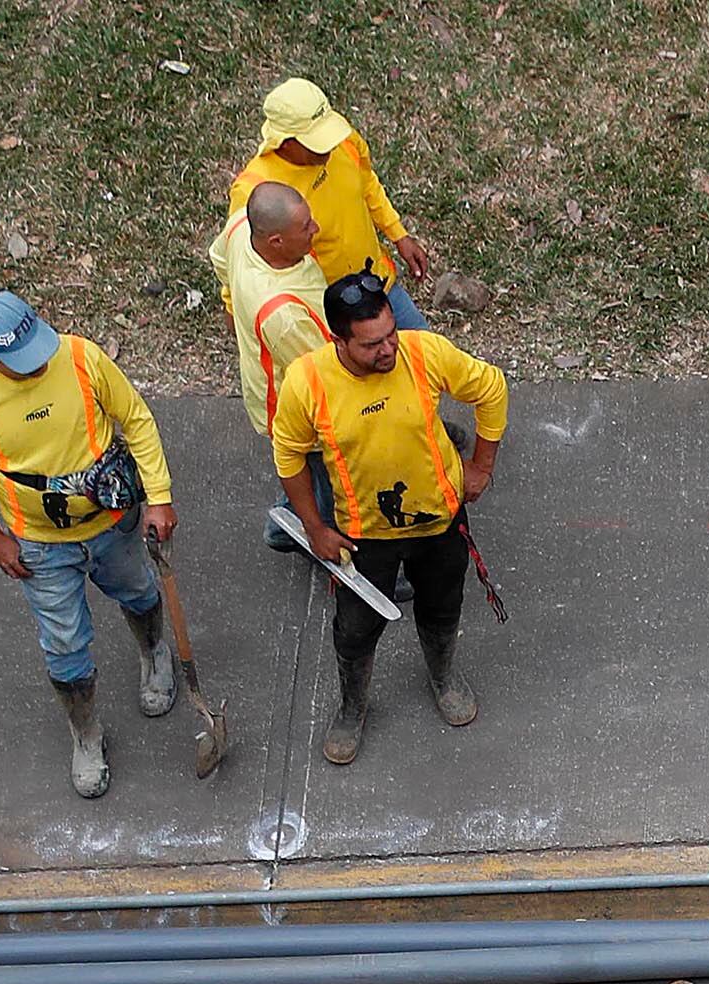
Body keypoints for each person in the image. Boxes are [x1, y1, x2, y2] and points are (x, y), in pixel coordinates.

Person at [0, 293, 178, 802]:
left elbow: (135, 418)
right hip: (40, 544)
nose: (36, 366)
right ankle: (85, 735)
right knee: (64, 645)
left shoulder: (81, 357)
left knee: (138, 590)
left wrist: (158, 498)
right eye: (19, 361)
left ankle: (154, 653)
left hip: (112, 522)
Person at [270, 272, 509, 765]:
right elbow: (289, 456)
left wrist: (481, 465)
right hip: (364, 536)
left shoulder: (424, 353)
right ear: (338, 338)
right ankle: (353, 706)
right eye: (372, 345)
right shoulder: (307, 382)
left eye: (390, 335)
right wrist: (315, 528)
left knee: (442, 607)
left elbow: (491, 389)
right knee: (355, 629)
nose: (388, 351)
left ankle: (443, 676)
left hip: (439, 523)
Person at [232, 80, 435, 328]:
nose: (329, 146)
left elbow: (367, 183)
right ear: (285, 143)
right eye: (317, 141)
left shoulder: (343, 141)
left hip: (380, 288)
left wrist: (399, 235)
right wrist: (235, 310)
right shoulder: (257, 191)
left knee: (427, 358)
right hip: (330, 318)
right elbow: (242, 263)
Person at [212, 181, 330, 443]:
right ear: (276, 241)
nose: (316, 228)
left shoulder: (241, 225)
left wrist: (234, 308)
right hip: (301, 421)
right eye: (305, 227)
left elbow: (220, 259)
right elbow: (325, 379)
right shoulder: (284, 316)